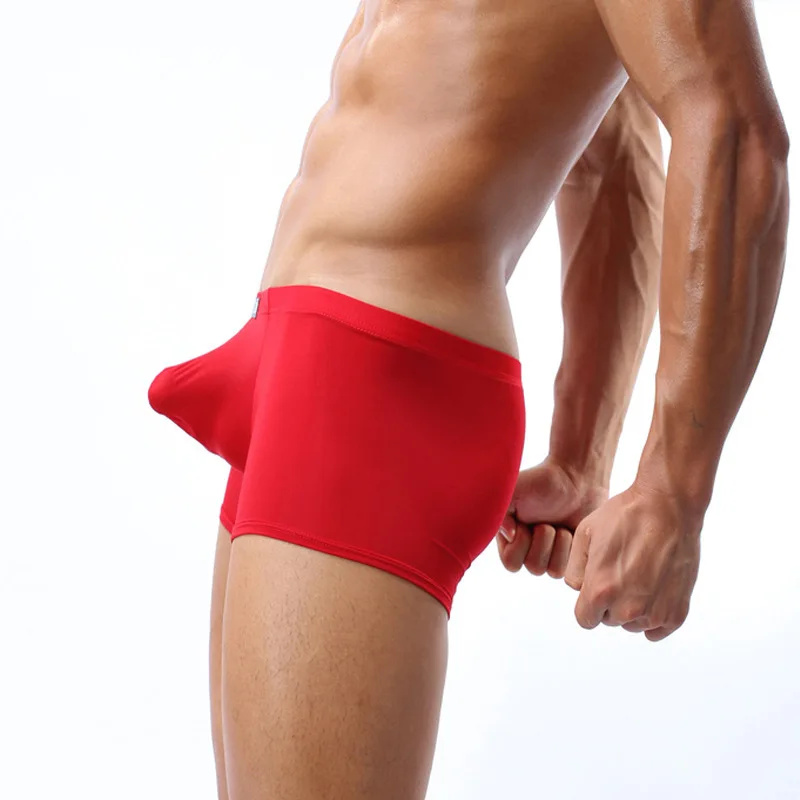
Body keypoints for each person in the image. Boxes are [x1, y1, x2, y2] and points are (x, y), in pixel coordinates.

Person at [147, 1, 790, 798]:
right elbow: (613, 152)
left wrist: (673, 490)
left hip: (379, 377)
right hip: (297, 349)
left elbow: (734, 132)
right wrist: (581, 450)